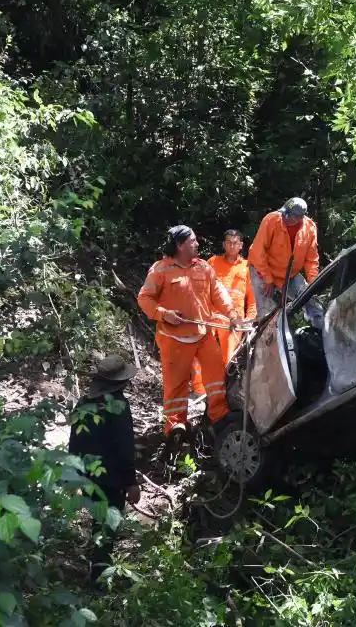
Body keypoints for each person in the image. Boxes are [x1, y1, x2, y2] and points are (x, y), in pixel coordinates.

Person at [137, 225, 238, 438]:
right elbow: (144, 298)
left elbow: (218, 292)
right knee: (176, 385)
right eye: (193, 241)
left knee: (217, 378)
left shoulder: (203, 267)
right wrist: (163, 314)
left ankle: (218, 417)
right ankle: (175, 427)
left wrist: (232, 313)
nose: (198, 244)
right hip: (174, 338)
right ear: (180, 245)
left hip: (203, 334)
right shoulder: (161, 269)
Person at [67, 354, 141, 581]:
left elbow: (75, 440)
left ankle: (94, 565)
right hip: (112, 477)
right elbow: (125, 445)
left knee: (98, 519)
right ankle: (99, 575)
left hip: (89, 475)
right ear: (119, 383)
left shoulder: (83, 403)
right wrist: (131, 482)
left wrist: (76, 474)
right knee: (109, 523)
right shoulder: (118, 406)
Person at [190, 229, 257, 391]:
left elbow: (252, 298)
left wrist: (250, 318)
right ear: (223, 244)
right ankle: (199, 391)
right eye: (228, 242)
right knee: (199, 351)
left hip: (234, 321)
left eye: (235, 242)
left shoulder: (247, 268)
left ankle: (222, 392)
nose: (232, 246)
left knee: (229, 357)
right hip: (211, 316)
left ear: (241, 245)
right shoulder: (213, 262)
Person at [248, 197, 324, 329]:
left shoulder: (310, 228)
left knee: (312, 302)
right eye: (285, 212)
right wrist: (267, 278)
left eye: (290, 216)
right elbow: (257, 251)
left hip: (290, 275)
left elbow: (311, 259)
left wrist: (313, 283)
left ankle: (322, 332)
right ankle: (268, 339)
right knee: (268, 315)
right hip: (262, 270)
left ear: (300, 218)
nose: (285, 217)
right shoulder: (271, 220)